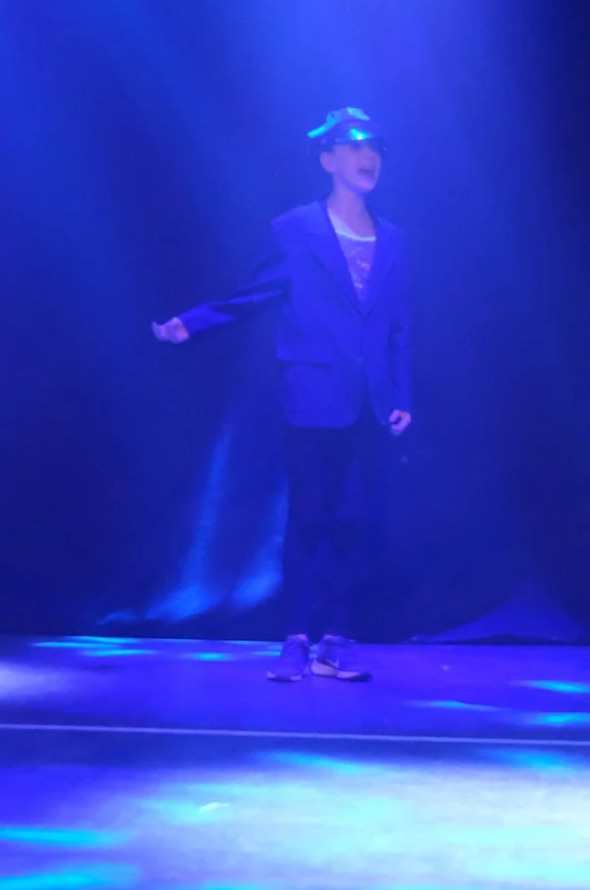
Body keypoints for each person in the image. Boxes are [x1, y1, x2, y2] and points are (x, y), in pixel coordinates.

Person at [154, 107, 411, 683]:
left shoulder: (393, 239)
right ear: (327, 160)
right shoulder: (296, 229)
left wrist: (402, 393)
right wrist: (192, 322)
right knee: (310, 517)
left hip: (369, 401)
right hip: (314, 393)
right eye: (353, 146)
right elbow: (255, 293)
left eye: (375, 147)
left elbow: (397, 324)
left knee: (354, 519)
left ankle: (335, 641)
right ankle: (296, 637)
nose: (368, 156)